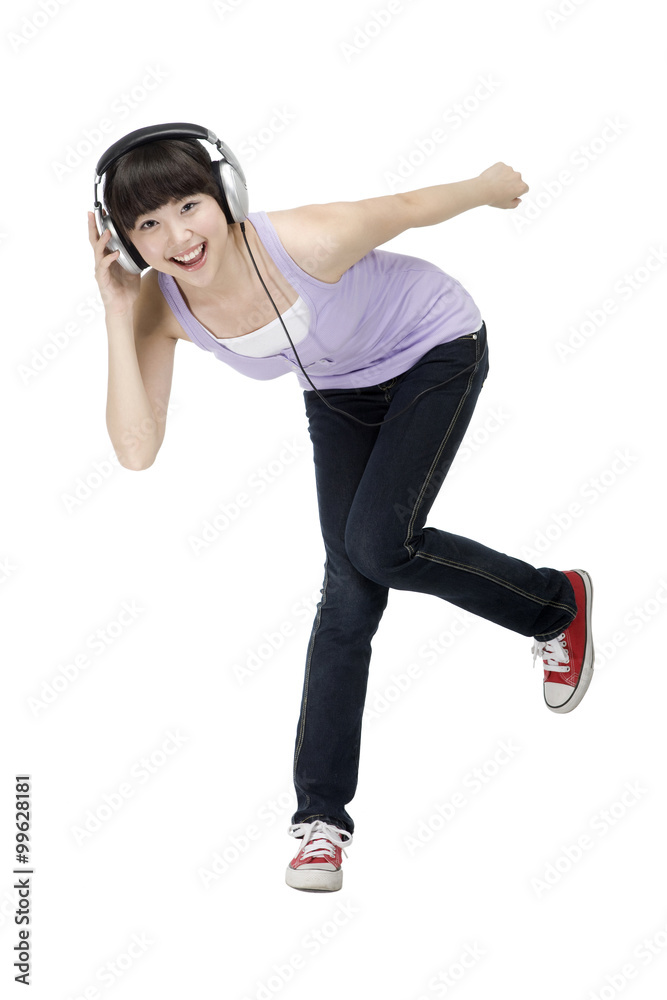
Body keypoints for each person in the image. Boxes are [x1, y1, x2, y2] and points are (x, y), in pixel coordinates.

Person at [88, 131, 594, 894]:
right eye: (147, 225)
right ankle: (319, 820)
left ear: (226, 194)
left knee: (378, 547)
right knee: (349, 588)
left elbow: (407, 207)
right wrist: (114, 311)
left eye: (188, 205)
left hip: (434, 346)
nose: (177, 236)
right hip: (337, 391)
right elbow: (135, 449)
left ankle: (555, 602)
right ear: (123, 241)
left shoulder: (307, 240)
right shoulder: (158, 305)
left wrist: (487, 184)